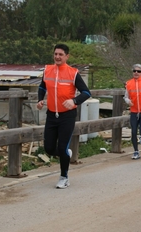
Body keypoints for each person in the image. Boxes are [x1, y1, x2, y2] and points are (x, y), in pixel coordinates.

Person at [37, 43, 92, 189]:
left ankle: (64, 177)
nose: (57, 57)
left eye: (61, 54)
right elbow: (42, 87)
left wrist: (74, 101)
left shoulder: (73, 73)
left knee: (62, 147)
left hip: (67, 116)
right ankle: (66, 153)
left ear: (67, 56)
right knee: (49, 148)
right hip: (51, 115)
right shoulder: (47, 70)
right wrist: (40, 99)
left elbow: (86, 93)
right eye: (55, 54)